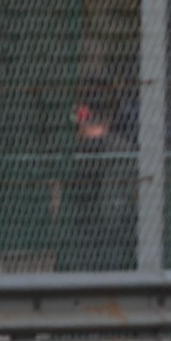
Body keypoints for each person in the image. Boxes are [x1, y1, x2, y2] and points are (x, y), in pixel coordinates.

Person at [54, 80, 135, 271]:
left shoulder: (71, 155)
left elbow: (59, 209)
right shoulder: (125, 150)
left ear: (83, 114)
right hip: (117, 250)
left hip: (79, 252)